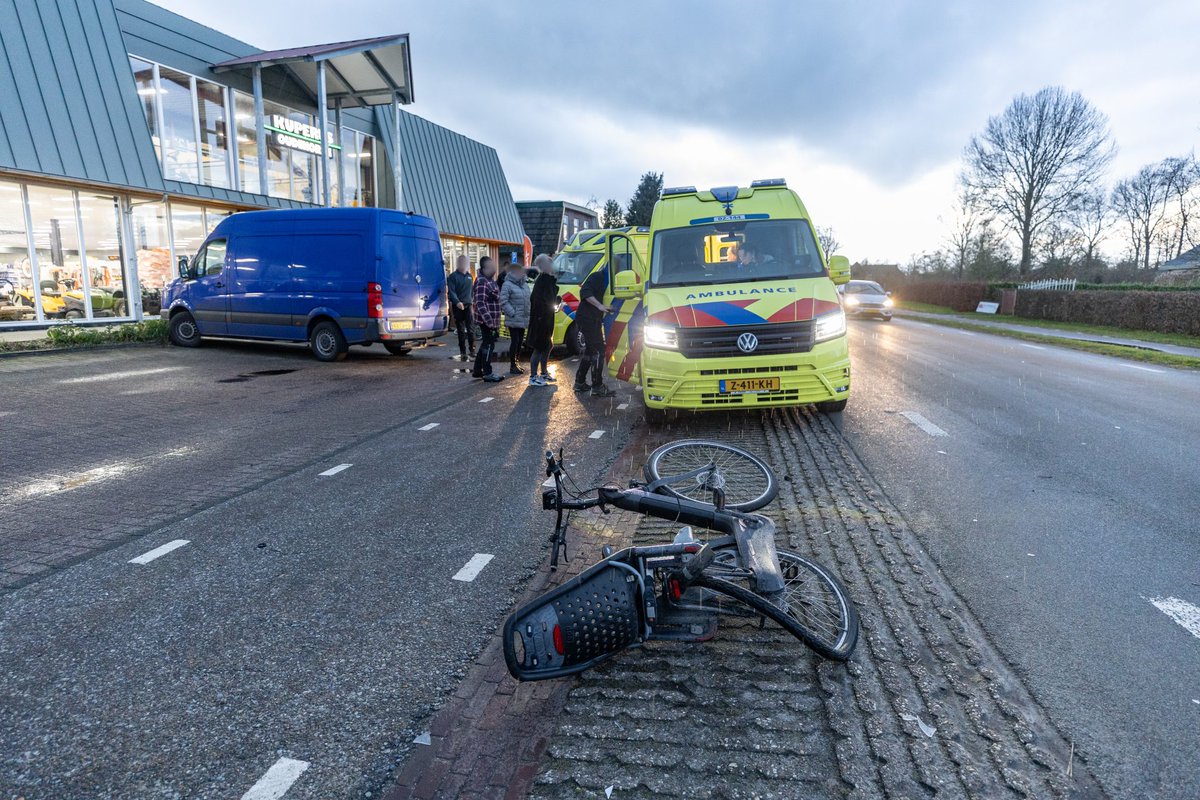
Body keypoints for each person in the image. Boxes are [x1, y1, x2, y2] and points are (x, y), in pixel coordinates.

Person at [573, 262, 615, 398]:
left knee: (591, 351)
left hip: (592, 319)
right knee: (598, 351)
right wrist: (599, 306)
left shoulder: (608, 280)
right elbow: (584, 292)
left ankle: (579, 382)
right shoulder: (597, 277)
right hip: (587, 318)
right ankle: (597, 386)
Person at [526, 255, 558, 387]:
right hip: (541, 320)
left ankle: (543, 372)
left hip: (545, 318)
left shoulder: (547, 279)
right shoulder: (543, 280)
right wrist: (557, 301)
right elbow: (543, 300)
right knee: (539, 347)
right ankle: (533, 377)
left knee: (547, 345)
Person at [471, 257, 504, 382]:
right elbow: (480, 303)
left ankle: (477, 370)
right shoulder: (482, 282)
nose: (494, 269)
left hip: (491, 320)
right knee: (489, 345)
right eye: (491, 267)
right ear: (484, 268)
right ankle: (487, 372)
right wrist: (489, 321)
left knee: (486, 344)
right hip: (487, 321)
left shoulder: (490, 281)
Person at [500, 261, 530, 375]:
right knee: (515, 341)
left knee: (520, 341)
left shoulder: (525, 285)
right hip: (514, 318)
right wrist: (512, 312)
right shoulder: (507, 284)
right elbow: (503, 300)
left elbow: (528, 301)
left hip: (523, 318)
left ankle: (517, 363)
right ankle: (513, 365)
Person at [446, 255, 475, 361]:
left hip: (468, 306)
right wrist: (457, 302)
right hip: (458, 307)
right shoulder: (453, 276)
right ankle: (463, 351)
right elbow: (451, 291)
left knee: (471, 329)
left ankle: (472, 350)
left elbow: (471, 290)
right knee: (461, 330)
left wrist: (472, 300)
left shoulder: (470, 276)